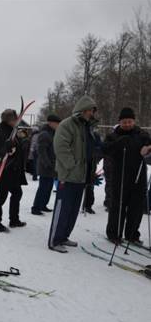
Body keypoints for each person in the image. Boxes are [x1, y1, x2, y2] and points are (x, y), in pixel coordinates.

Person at [47, 96, 98, 253]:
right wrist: (72, 166)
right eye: (90, 110)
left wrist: (91, 169)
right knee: (63, 208)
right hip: (69, 176)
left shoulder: (88, 127)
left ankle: (64, 236)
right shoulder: (67, 124)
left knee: (73, 210)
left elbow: (91, 149)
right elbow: (61, 147)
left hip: (82, 177)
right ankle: (54, 240)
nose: (92, 113)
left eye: (93, 110)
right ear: (83, 110)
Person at [103, 107, 151, 244]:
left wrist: (148, 148)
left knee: (136, 208)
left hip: (138, 176)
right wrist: (117, 144)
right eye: (124, 122)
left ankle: (132, 234)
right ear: (120, 122)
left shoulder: (142, 134)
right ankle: (114, 234)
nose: (127, 124)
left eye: (130, 121)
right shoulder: (113, 135)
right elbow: (105, 149)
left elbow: (149, 143)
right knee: (118, 206)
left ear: (134, 121)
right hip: (119, 176)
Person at [0, 109, 27, 232]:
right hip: (5, 171)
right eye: (13, 119)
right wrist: (6, 150)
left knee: (17, 193)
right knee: (1, 197)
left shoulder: (12, 131)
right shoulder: (2, 132)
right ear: (8, 120)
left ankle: (14, 219)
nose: (16, 120)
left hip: (14, 171)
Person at [31, 114, 61, 215]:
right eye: (57, 123)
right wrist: (47, 163)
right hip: (45, 166)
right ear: (50, 123)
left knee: (48, 187)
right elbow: (41, 151)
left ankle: (43, 205)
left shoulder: (52, 133)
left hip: (51, 166)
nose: (58, 125)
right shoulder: (45, 134)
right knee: (43, 187)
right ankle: (36, 207)